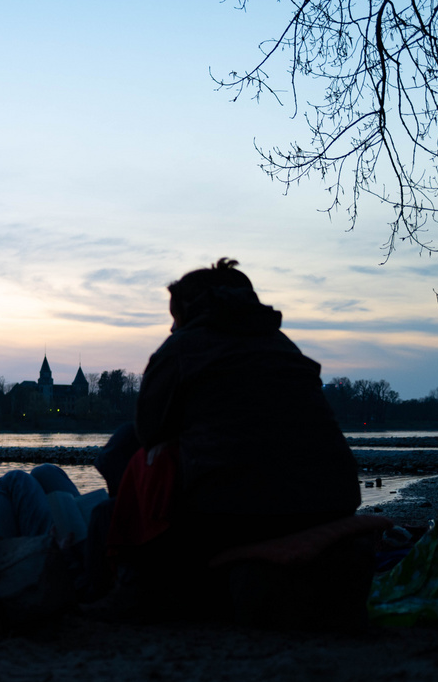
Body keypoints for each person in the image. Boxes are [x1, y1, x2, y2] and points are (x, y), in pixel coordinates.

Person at [100, 258, 360, 621]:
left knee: (127, 444)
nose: (172, 326)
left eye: (174, 316)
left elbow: (149, 431)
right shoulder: (283, 344)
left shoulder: (183, 347)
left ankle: (137, 573)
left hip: (231, 512)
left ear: (188, 311)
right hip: (334, 502)